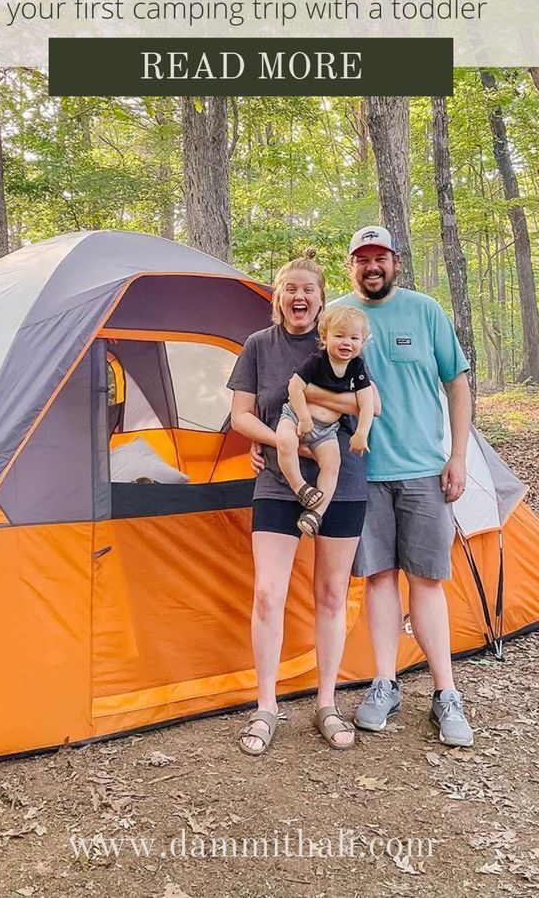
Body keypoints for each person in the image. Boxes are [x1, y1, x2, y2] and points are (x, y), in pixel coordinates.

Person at [332, 225, 475, 748]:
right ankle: (385, 683)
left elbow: (456, 384)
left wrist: (457, 455)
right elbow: (306, 381)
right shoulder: (337, 316)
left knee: (428, 581)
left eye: (380, 257)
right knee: (377, 580)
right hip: (361, 475)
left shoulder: (426, 311)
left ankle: (445, 693)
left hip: (423, 472)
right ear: (351, 265)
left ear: (395, 261)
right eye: (362, 258)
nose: (372, 266)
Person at [227, 248, 369, 756]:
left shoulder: (341, 344)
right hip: (277, 484)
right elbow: (240, 413)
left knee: (331, 595)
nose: (299, 297)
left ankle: (325, 702)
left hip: (343, 481)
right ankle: (266, 706)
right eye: (290, 288)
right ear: (277, 297)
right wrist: (278, 438)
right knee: (268, 593)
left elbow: (365, 402)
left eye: (309, 289)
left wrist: (310, 418)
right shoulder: (258, 346)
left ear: (321, 297)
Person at [275, 305, 380, 536]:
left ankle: (315, 514)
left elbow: (368, 403)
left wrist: (361, 433)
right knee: (284, 441)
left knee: (332, 465)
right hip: (295, 417)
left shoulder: (357, 367)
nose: (346, 343)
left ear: (363, 341)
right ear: (325, 337)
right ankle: (299, 486)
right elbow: (294, 386)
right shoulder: (317, 361)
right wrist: (303, 418)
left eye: (354, 338)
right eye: (339, 336)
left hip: (327, 430)